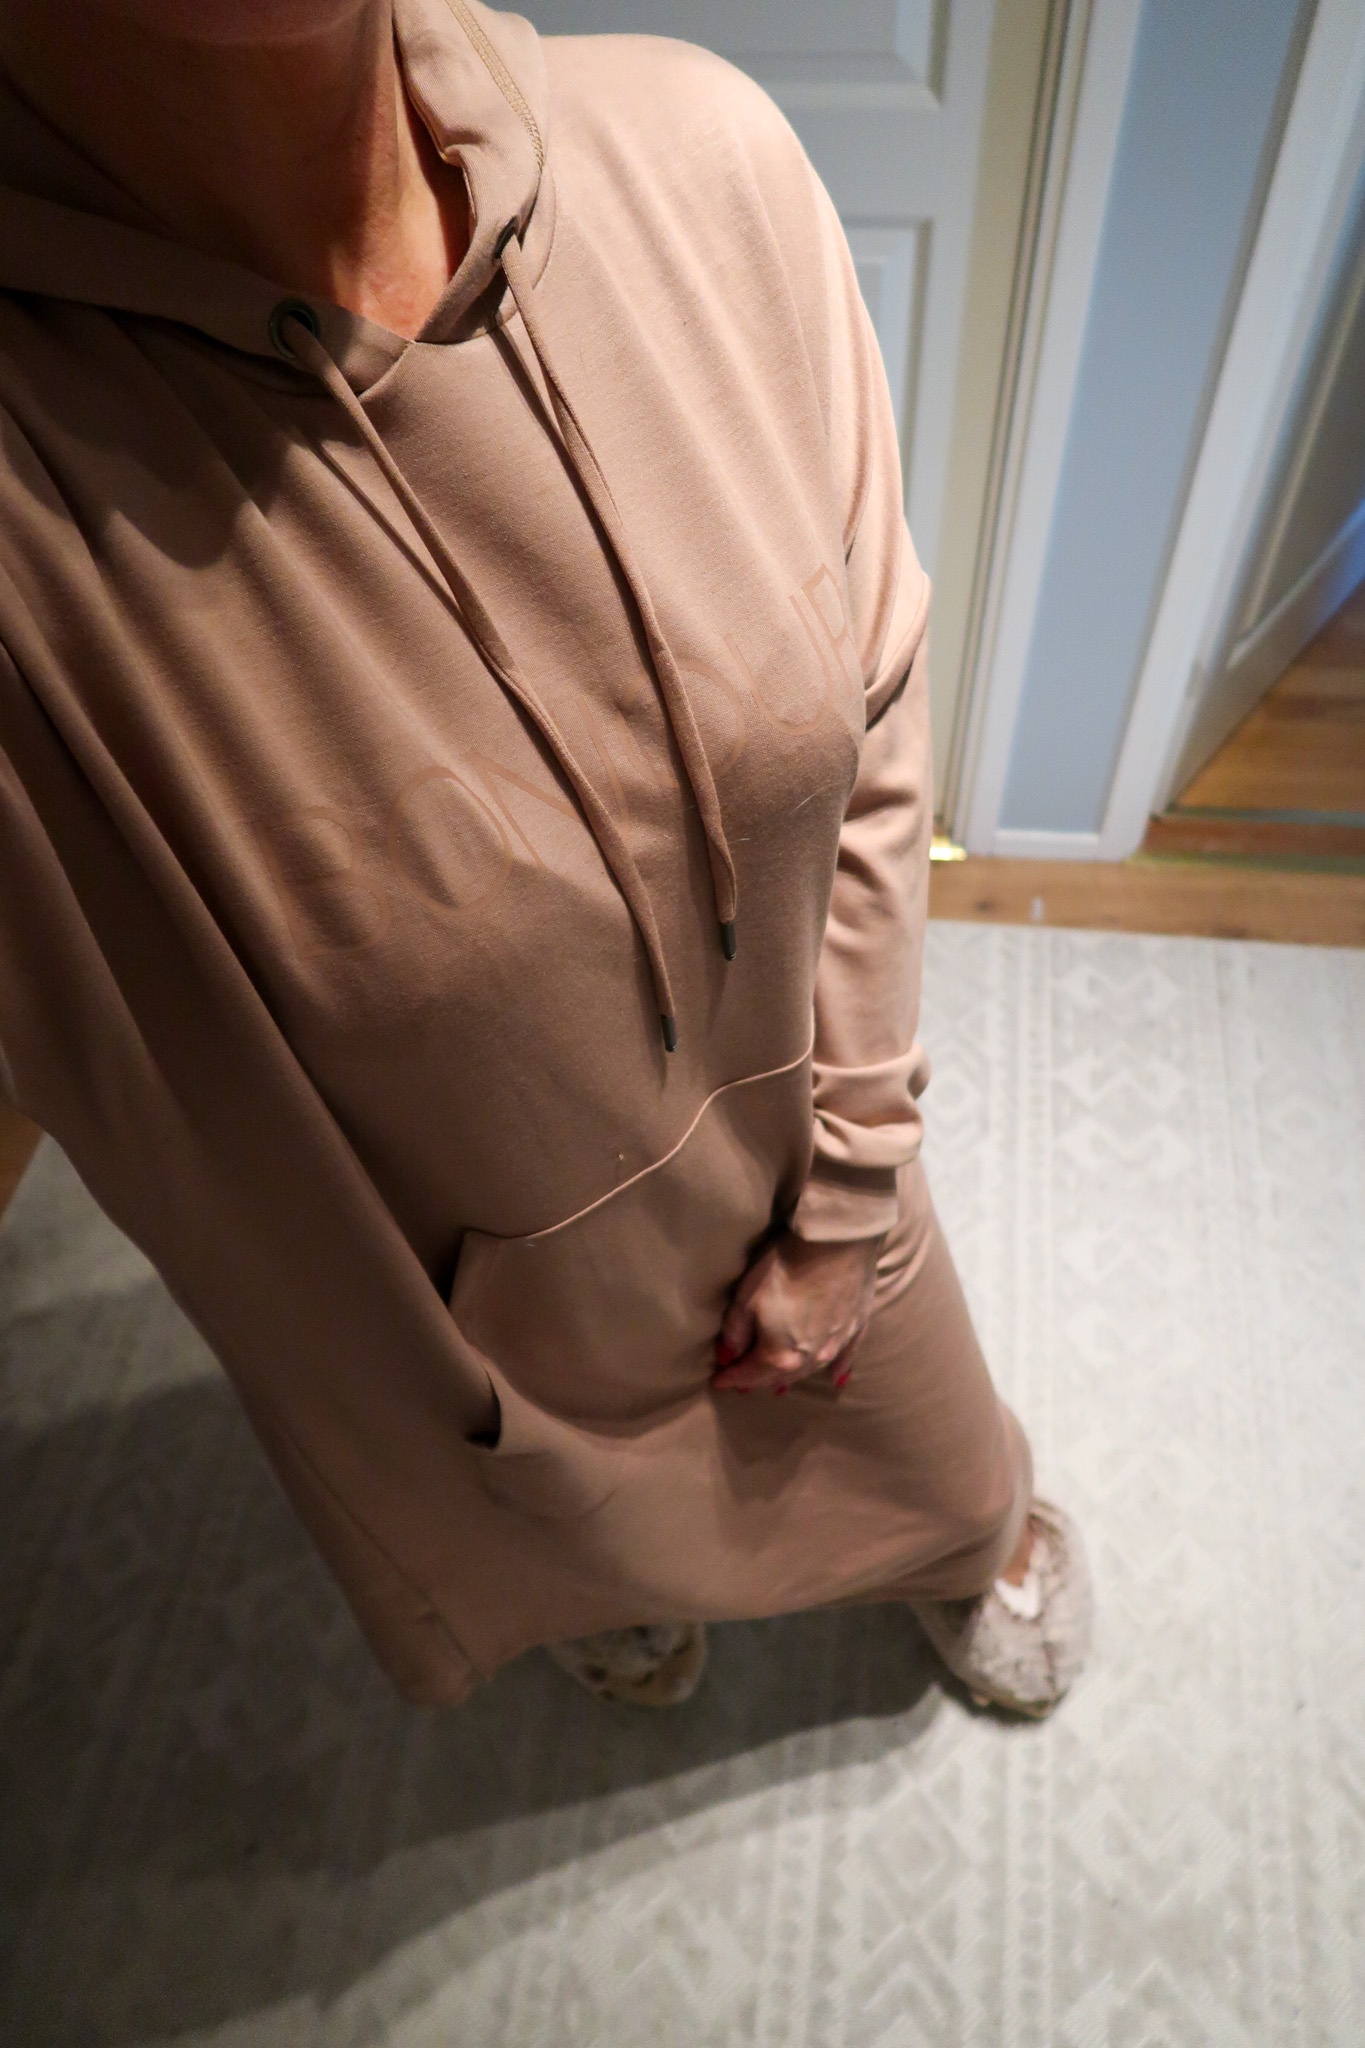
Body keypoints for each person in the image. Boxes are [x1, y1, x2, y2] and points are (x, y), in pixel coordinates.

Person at [0, 0, 1090, 1717]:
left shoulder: (694, 156)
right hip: (481, 1344)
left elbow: (868, 712)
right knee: (571, 1538)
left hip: (802, 1153)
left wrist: (855, 1181)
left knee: (927, 1444)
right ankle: (604, 1569)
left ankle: (965, 1537)